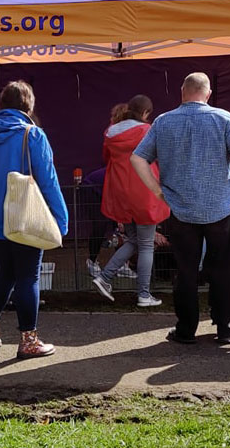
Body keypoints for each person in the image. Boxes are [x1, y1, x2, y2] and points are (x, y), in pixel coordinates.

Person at [131, 72, 230, 345]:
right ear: (207, 94)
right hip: (220, 207)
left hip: (181, 210)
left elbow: (137, 158)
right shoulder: (224, 119)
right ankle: (226, 328)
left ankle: (185, 330)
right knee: (223, 269)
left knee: (185, 272)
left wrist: (157, 191)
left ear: (182, 92)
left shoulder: (162, 122)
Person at [0, 80, 68, 359]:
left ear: (2, 104)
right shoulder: (33, 134)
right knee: (28, 277)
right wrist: (60, 220)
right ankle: (29, 340)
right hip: (24, 217)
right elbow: (49, 181)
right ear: (29, 104)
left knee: (6, 272)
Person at [93, 95, 170, 307]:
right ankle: (144, 294)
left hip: (120, 191)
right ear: (146, 113)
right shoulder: (148, 131)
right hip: (145, 190)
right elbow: (160, 157)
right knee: (146, 244)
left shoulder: (111, 133)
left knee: (135, 239)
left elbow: (106, 158)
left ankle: (105, 276)